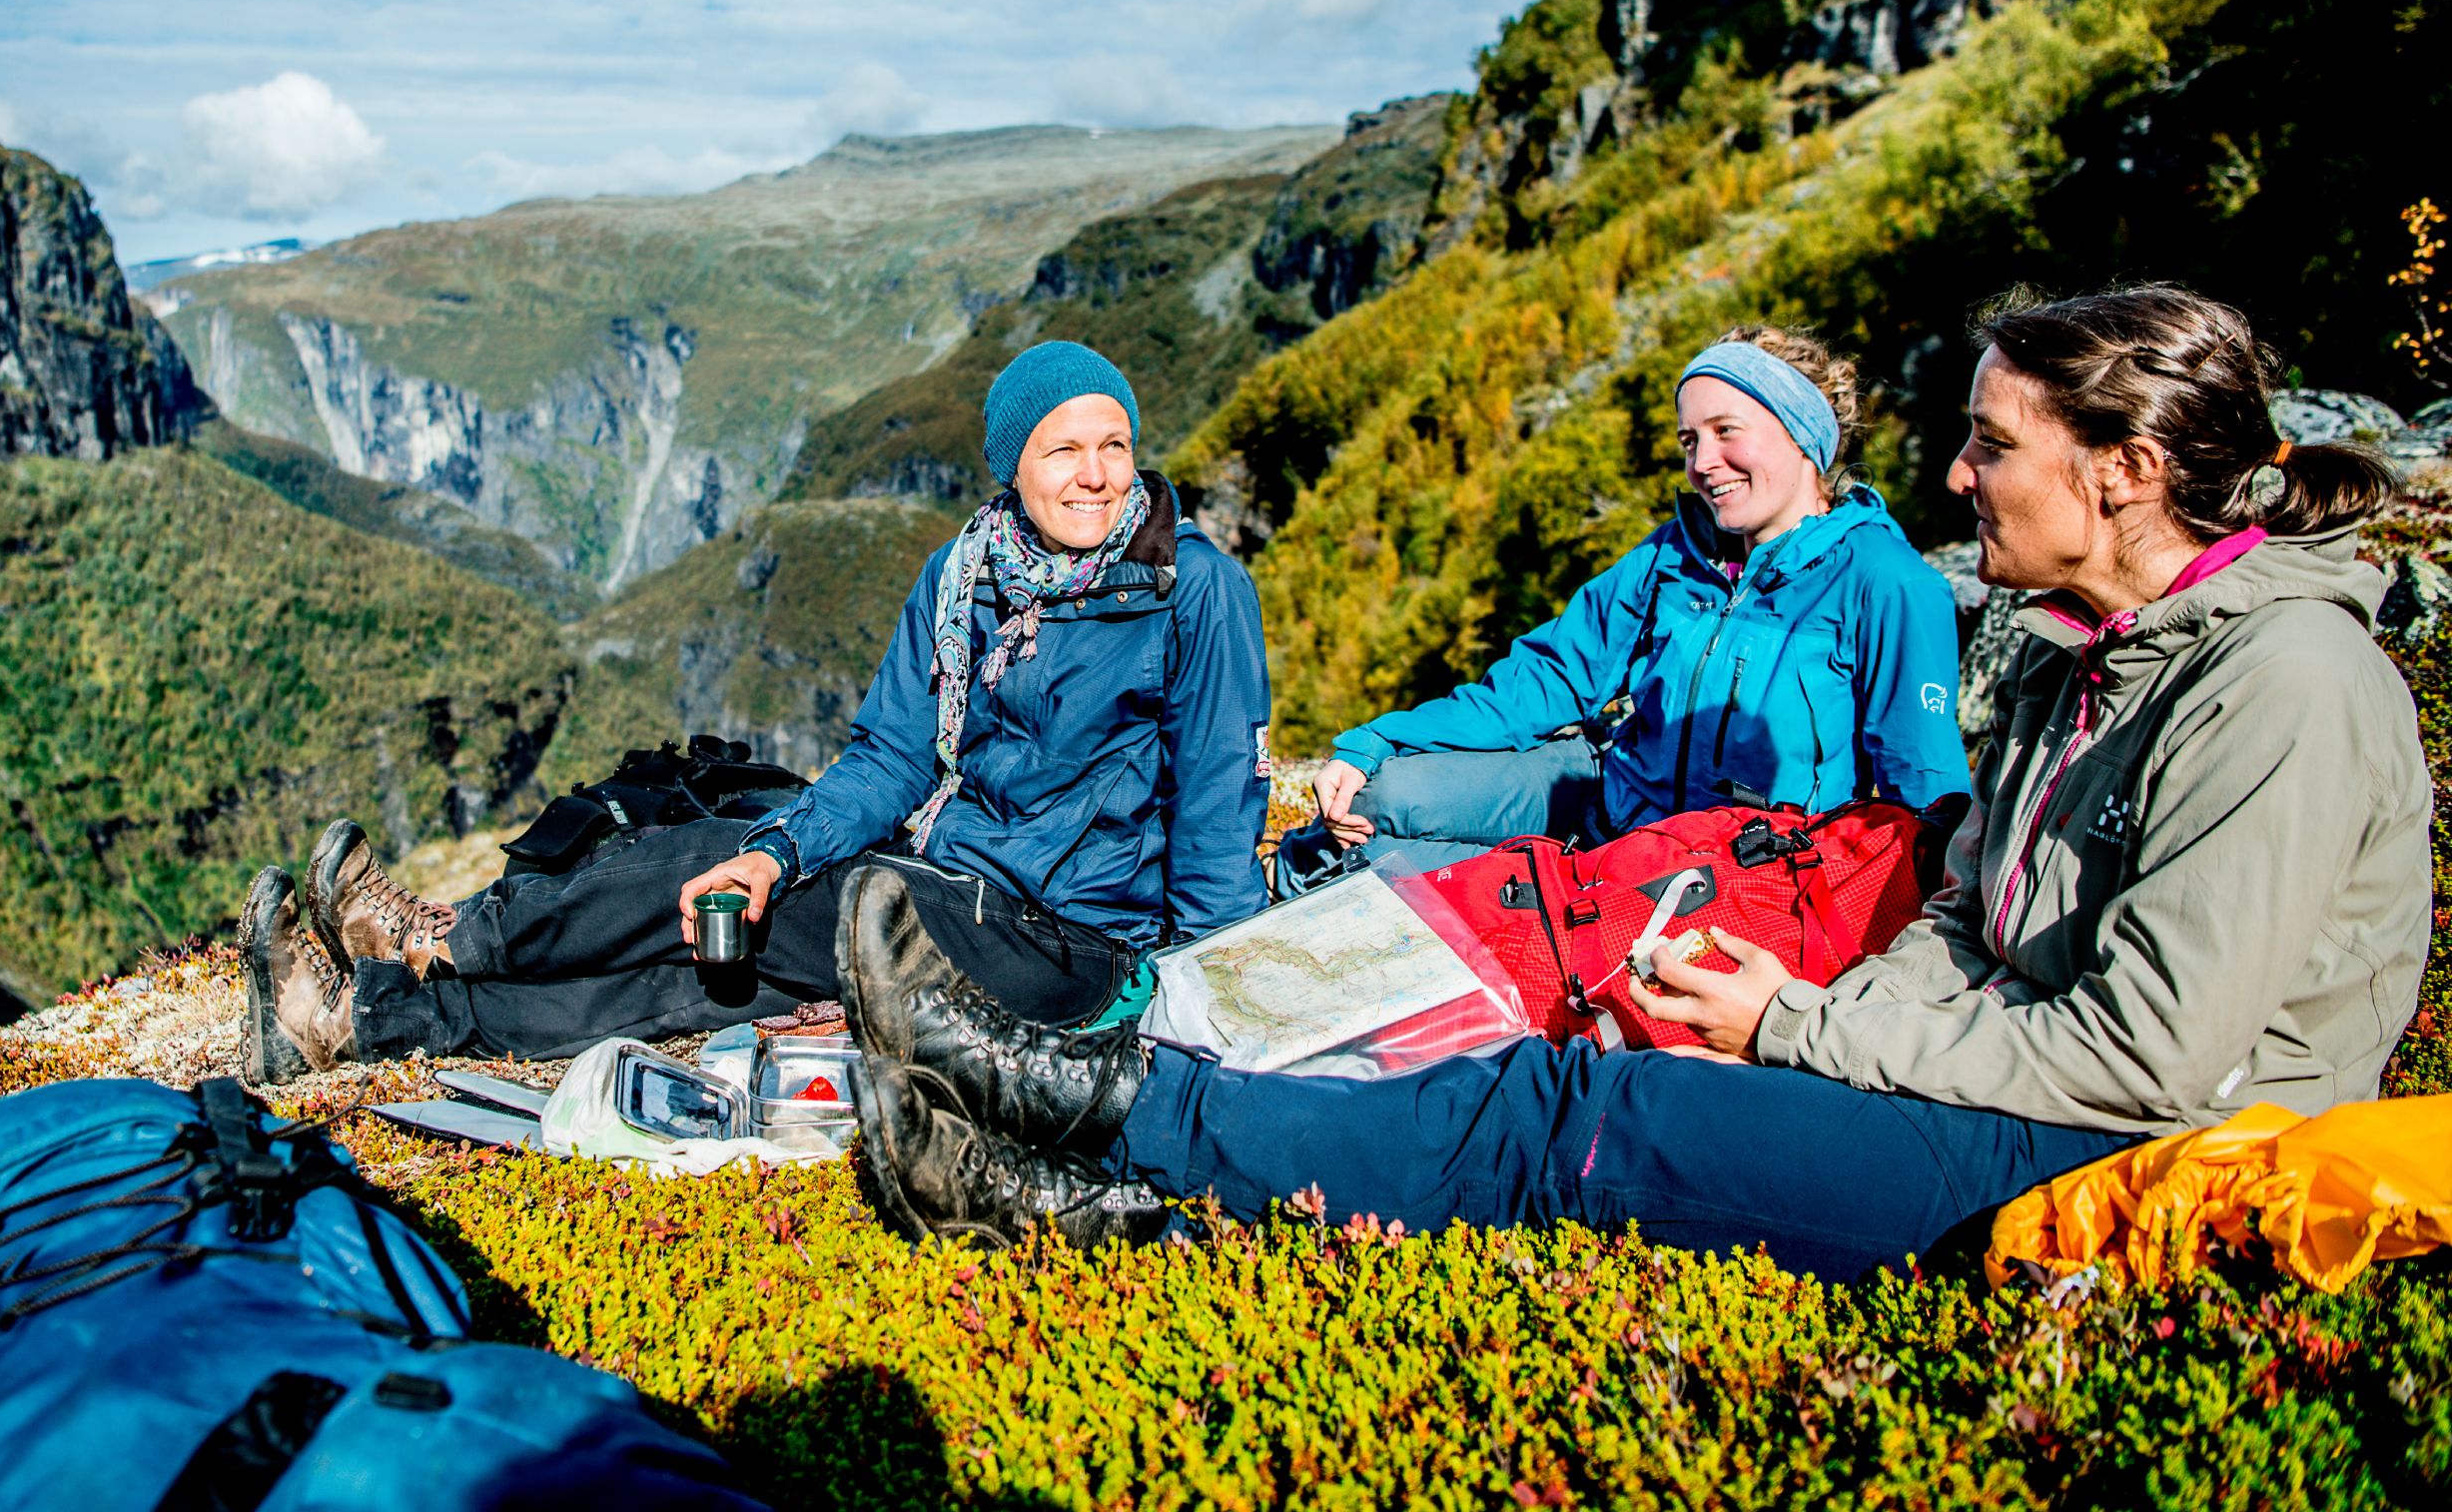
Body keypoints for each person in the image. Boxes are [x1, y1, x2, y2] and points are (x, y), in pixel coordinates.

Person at [838, 287, 2435, 1280]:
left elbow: (2147, 1052)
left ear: (2127, 470)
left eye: (1993, 446)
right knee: (1531, 1045)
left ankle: (1096, 1104)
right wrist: (1817, 1015)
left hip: (2130, 1160)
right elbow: (1970, 922)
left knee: (1578, 1122)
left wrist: (1799, 1025)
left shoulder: (2278, 681)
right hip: (1975, 1069)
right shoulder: (2074, 650)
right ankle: (1098, 1193)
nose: (1960, 478)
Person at [237, 340, 1275, 1077]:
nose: (1097, 475)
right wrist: (780, 849)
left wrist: (1208, 1010)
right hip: (955, 884)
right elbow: (890, 759)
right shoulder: (965, 575)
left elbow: (1221, 816)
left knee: (767, 896)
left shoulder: (1195, 591)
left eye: (1115, 444)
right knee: (713, 962)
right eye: (1066, 449)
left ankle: (447, 936)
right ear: (1013, 466)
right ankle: (363, 1017)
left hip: (1073, 944)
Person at [1308, 325, 1971, 871]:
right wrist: (1375, 739)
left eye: (1726, 431)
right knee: (1374, 802)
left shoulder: (1886, 582)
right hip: (1610, 806)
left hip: (1736, 873)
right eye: (1689, 440)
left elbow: (1924, 794)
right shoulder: (1675, 553)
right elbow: (1550, 678)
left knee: (1387, 877)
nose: (1702, 463)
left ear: (1802, 432)